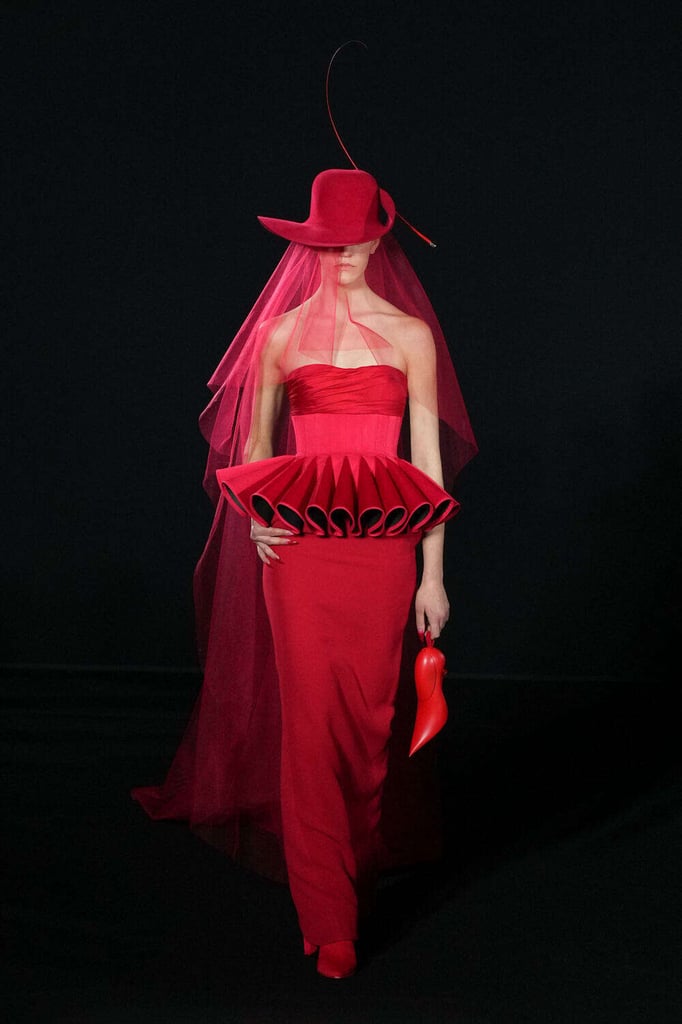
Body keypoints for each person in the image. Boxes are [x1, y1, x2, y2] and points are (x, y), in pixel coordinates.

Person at [133, 168, 477, 978]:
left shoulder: (410, 335)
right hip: (299, 555)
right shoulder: (279, 334)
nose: (342, 254)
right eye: (327, 243)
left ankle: (348, 875)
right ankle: (328, 915)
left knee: (368, 726)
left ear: (379, 242)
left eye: (356, 241)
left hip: (384, 552)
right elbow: (256, 449)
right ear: (306, 246)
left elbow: (428, 463)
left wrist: (433, 575)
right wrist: (255, 517)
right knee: (310, 725)